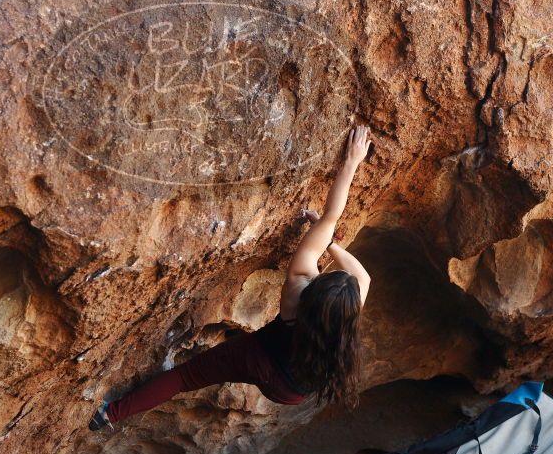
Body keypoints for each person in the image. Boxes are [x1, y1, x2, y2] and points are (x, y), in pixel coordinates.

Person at [89, 125, 374, 431]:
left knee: (185, 378)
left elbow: (331, 217)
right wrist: (330, 240)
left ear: (315, 286)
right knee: (202, 376)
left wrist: (349, 166)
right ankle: (108, 417)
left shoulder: (298, 285)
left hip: (259, 357)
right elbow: (364, 278)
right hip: (290, 392)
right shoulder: (344, 325)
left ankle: (110, 414)